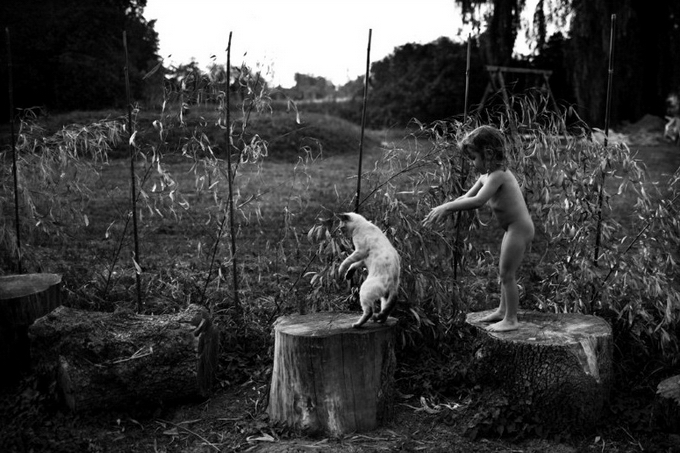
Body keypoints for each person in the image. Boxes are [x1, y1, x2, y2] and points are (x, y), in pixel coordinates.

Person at [422, 125, 534, 332]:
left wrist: (447, 208)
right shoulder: (487, 176)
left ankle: (511, 319)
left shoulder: (499, 174)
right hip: (512, 228)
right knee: (503, 272)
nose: (473, 164)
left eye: (474, 158)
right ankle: (502, 311)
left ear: (488, 153)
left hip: (519, 228)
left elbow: (478, 201)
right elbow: (466, 197)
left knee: (507, 273)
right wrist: (443, 207)